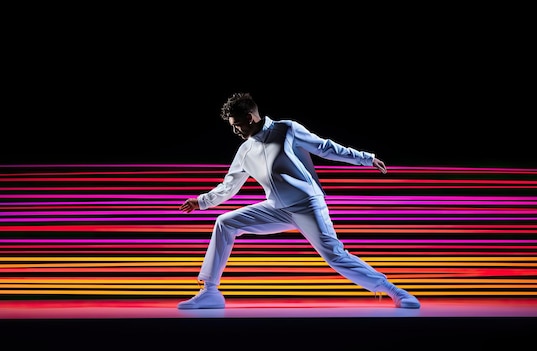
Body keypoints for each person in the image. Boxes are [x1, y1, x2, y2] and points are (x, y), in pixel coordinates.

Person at [177, 92, 420, 309]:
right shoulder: (245, 150)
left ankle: (395, 292)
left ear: (251, 117)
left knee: (335, 255)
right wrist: (202, 201)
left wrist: (365, 159)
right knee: (225, 222)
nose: (235, 131)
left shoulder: (286, 129)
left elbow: (325, 147)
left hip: (307, 204)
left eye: (237, 125)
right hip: (276, 208)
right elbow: (229, 186)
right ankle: (209, 292)